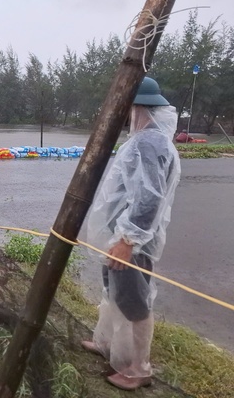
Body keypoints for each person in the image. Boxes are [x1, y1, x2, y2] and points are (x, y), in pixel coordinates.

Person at [81, 76, 181, 391]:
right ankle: (107, 342)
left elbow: (149, 198)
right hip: (121, 237)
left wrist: (127, 241)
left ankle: (139, 367)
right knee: (114, 292)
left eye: (128, 108)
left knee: (134, 301)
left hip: (132, 243)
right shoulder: (146, 139)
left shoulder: (149, 142)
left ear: (140, 108)